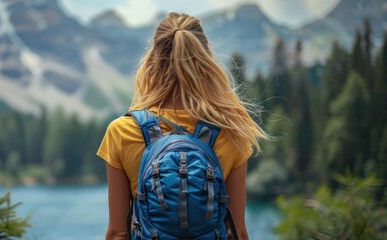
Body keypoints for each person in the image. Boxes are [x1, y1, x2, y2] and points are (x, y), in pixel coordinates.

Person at [97, 12, 268, 240]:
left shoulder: (121, 131)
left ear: (152, 61)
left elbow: (118, 233)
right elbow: (236, 231)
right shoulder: (232, 132)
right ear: (206, 61)